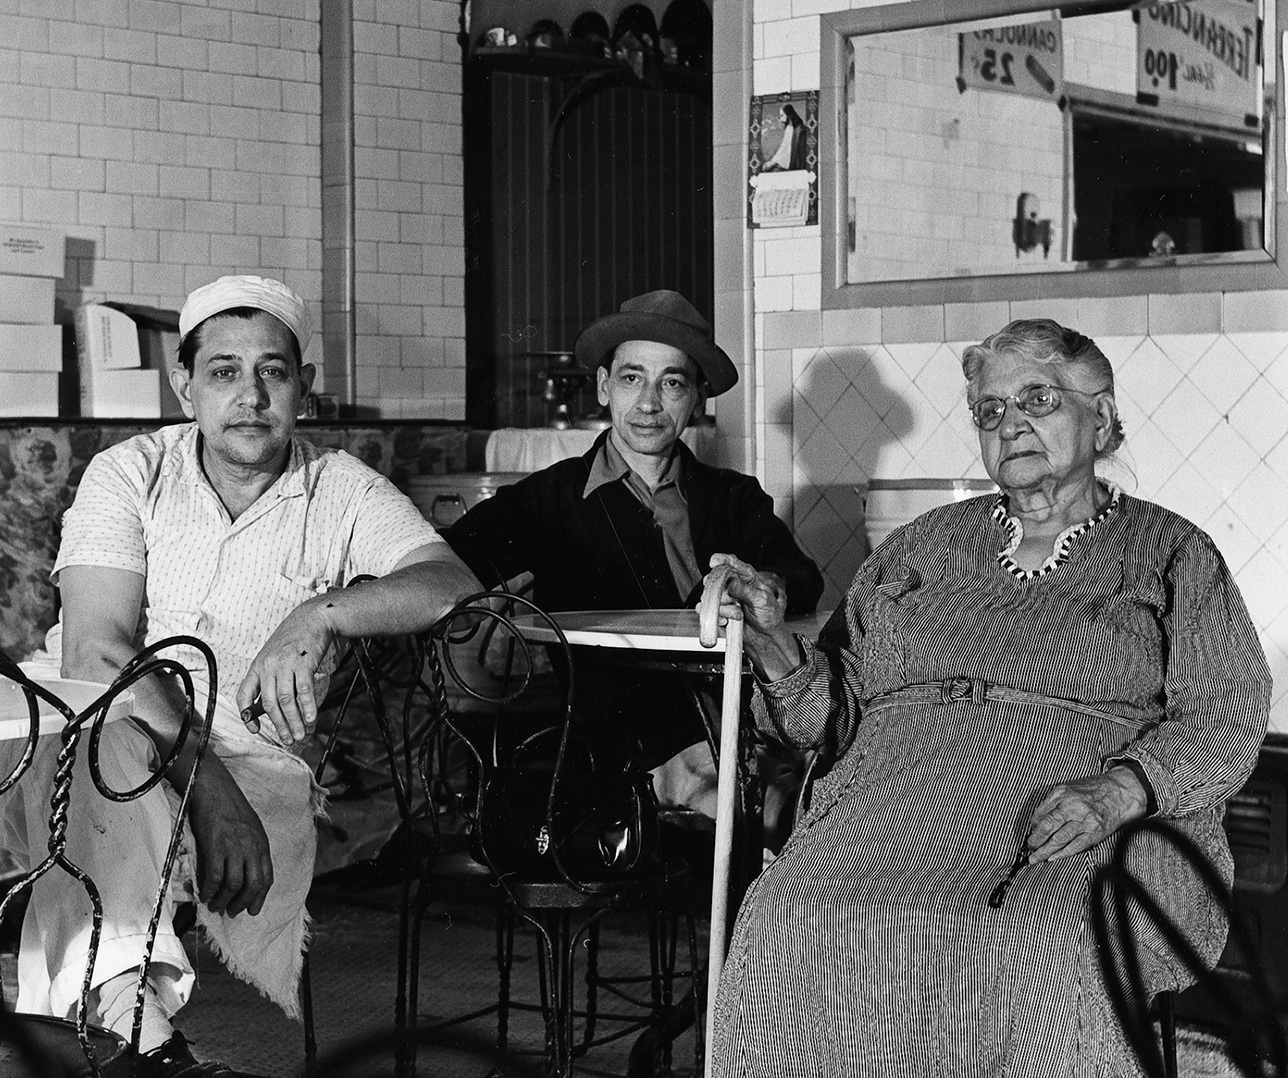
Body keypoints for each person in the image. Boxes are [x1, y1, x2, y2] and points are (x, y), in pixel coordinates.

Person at [704, 318, 1271, 1075]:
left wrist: (1121, 791)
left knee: (1039, 937)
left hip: (1081, 825)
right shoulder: (922, 546)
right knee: (791, 913)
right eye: (990, 410)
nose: (1011, 424)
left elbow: (1226, 712)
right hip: (894, 817)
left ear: (1102, 417)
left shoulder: (1172, 552)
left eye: (1037, 399)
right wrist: (772, 640)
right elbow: (824, 722)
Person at [1, 275, 478, 1076]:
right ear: (184, 385)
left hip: (246, 757)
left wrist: (321, 613)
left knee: (103, 761)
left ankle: (127, 1036)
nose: (250, 396)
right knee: (102, 743)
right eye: (223, 371)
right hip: (74, 722)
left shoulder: (340, 489)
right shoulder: (131, 471)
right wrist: (209, 791)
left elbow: (451, 583)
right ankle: (135, 1040)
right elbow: (96, 654)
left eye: (272, 372)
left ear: (304, 388)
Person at [444, 289, 823, 834]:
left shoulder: (733, 497)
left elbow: (803, 577)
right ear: (604, 386)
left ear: (697, 397)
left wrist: (763, 585)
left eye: (672, 382)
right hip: (631, 746)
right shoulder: (549, 501)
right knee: (769, 802)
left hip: (751, 717)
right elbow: (449, 559)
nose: (648, 403)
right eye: (631, 378)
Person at [762, 104, 807, 173]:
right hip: (784, 160)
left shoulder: (799, 130)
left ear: (789, 115)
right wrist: (772, 161)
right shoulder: (789, 128)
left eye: (782, 115)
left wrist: (774, 162)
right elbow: (783, 147)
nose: (780, 119)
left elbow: (789, 152)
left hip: (792, 164)